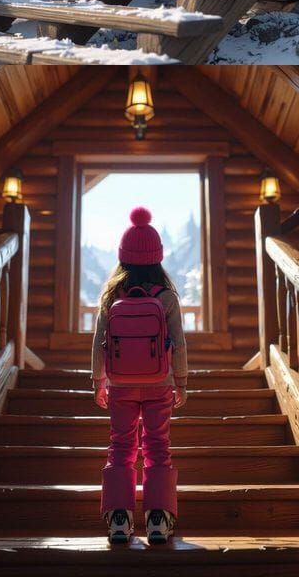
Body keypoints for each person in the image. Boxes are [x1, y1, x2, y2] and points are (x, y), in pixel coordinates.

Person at [91, 207, 188, 544]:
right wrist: (181, 382)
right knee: (158, 447)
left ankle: (119, 519)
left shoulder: (110, 296)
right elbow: (179, 343)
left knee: (120, 447)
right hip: (159, 383)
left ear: (123, 257)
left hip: (120, 384)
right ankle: (159, 518)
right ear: (157, 258)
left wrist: (98, 381)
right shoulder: (167, 298)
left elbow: (99, 342)